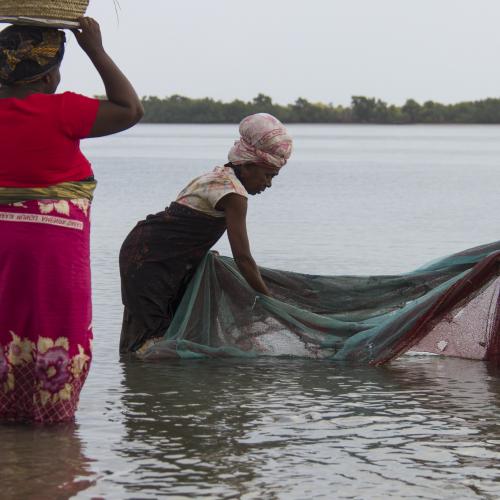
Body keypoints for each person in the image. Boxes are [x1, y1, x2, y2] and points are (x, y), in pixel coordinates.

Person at [0, 18, 143, 423]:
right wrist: (95, 49)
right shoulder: (62, 111)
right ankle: (50, 453)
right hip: (53, 262)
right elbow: (130, 109)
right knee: (54, 336)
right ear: (47, 77)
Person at [119, 113, 293, 354]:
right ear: (249, 165)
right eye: (268, 175)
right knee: (153, 342)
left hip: (145, 250)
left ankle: (139, 386)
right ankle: (149, 387)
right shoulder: (234, 195)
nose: (269, 184)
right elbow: (243, 258)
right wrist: (268, 299)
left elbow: (186, 227)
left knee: (152, 336)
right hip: (151, 262)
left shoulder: (217, 175)